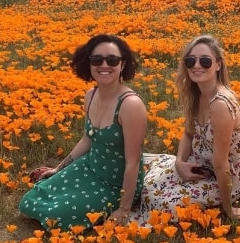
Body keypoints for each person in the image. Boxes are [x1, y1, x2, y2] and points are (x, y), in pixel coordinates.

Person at [19, 34, 147, 230]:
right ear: (88, 64)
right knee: (30, 200)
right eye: (97, 60)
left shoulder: (131, 105)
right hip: (89, 167)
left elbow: (133, 162)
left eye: (112, 60)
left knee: (56, 217)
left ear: (122, 65)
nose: (104, 65)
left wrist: (124, 208)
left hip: (115, 184)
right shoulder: (91, 95)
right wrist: (58, 169)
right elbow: (87, 140)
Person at [132, 35, 240, 225]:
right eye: (191, 60)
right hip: (202, 166)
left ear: (218, 65)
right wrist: (180, 163)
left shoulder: (220, 104)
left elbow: (222, 166)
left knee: (158, 200)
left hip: (227, 177)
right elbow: (188, 133)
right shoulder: (197, 95)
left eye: (205, 61)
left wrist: (228, 210)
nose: (197, 65)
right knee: (149, 182)